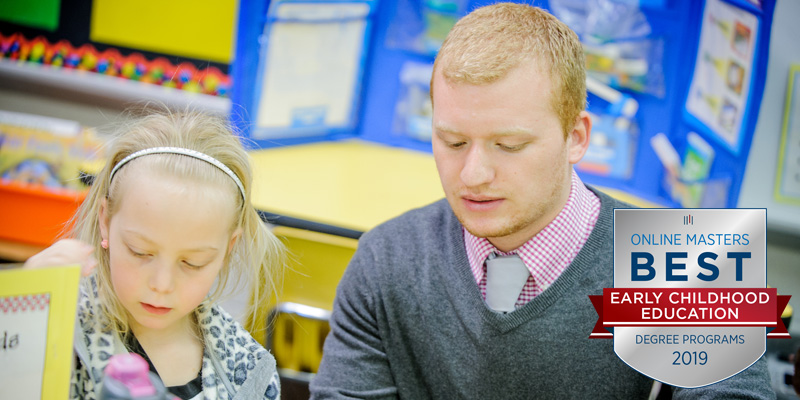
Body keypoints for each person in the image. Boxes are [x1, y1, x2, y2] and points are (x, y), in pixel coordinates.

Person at [310, 3, 774, 399]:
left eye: (508, 145)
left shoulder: (689, 261)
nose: (473, 175)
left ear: (576, 138)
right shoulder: (384, 262)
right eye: (452, 142)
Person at [24, 109, 285, 399]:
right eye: (141, 252)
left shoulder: (250, 373)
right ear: (105, 221)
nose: (162, 284)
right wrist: (21, 320)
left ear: (229, 249)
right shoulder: (56, 325)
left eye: (192, 263)